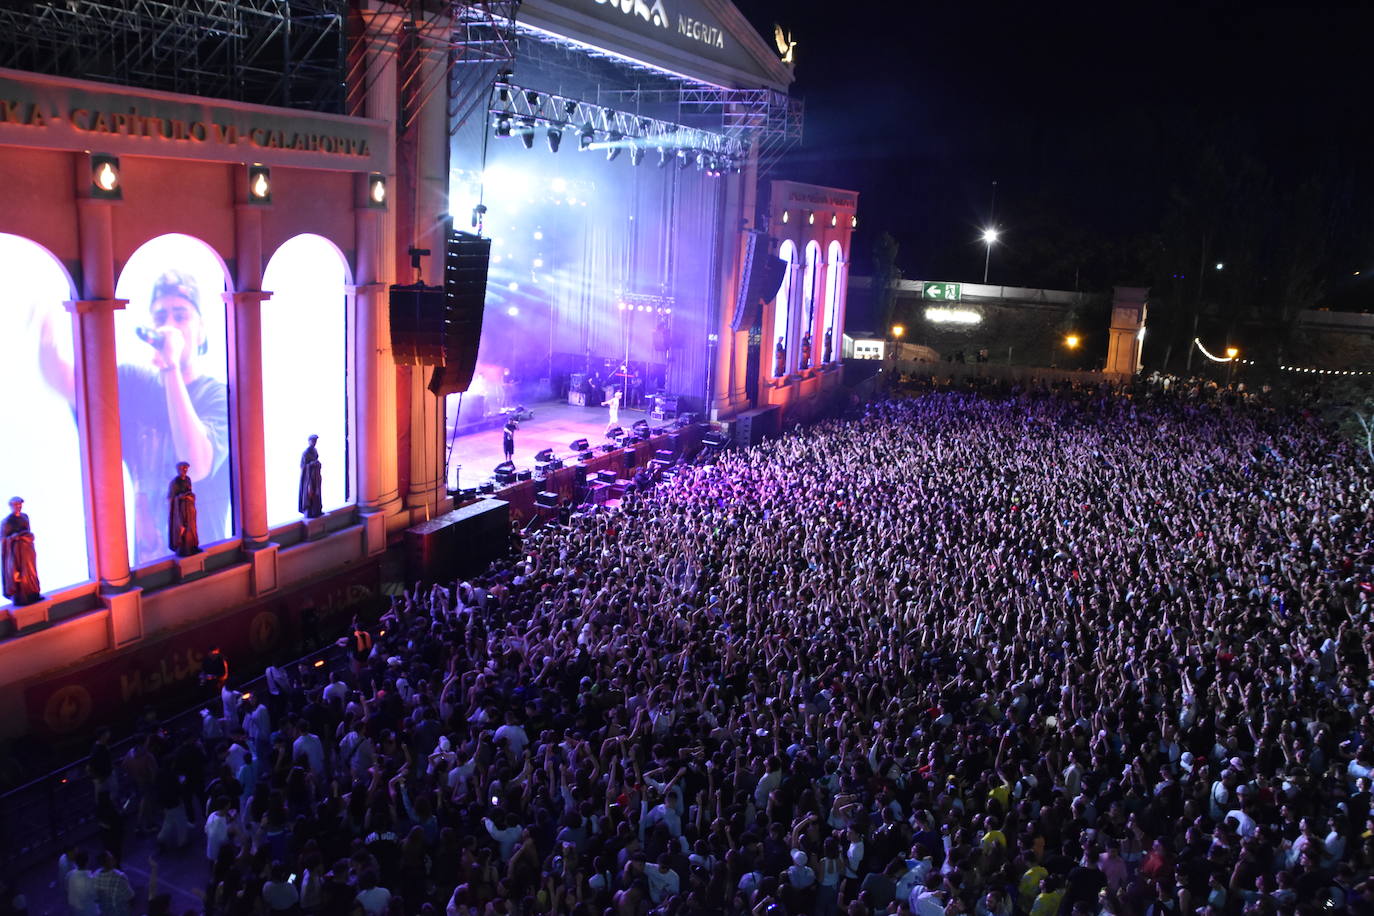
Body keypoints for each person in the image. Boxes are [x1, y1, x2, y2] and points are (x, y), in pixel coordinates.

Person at [39, 270, 229, 565]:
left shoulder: (218, 396)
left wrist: (171, 370)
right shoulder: (136, 383)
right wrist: (46, 328)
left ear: (202, 330)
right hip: (148, 571)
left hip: (206, 572)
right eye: (160, 317)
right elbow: (70, 384)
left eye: (181, 316)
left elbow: (197, 464)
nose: (169, 326)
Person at [1, 496, 40, 605]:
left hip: (27, 549)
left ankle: (33, 592)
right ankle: (21, 596)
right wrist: (14, 537)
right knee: (19, 573)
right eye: (15, 505)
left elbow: (28, 531)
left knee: (31, 571)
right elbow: (3, 539)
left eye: (20, 504)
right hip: (15, 552)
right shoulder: (7, 522)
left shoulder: (25, 517)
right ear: (11, 506)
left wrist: (27, 537)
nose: (18, 507)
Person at [167, 462, 198, 556]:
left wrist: (189, 496)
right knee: (181, 527)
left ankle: (190, 545)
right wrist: (180, 497)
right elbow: (171, 497)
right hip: (179, 509)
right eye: (182, 469)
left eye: (186, 469)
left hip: (188, 506)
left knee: (190, 525)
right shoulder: (175, 482)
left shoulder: (188, 479)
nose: (184, 471)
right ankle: (181, 545)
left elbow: (190, 491)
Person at [298, 434, 323, 518]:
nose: (314, 443)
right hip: (308, 478)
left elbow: (316, 459)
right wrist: (311, 464)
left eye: (315, 441)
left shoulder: (315, 450)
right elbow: (302, 466)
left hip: (315, 476)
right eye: (313, 441)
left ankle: (316, 510)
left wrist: (317, 464)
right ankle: (309, 511)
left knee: (317, 492)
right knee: (309, 493)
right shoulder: (305, 453)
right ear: (309, 441)